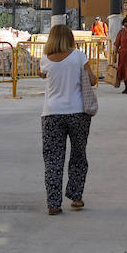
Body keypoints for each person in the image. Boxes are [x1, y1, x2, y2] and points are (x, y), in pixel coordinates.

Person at [39, 24, 96, 215]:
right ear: (70, 38)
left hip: (51, 114)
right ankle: (76, 197)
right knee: (78, 155)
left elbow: (42, 74)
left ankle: (53, 203)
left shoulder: (45, 60)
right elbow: (93, 80)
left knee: (53, 159)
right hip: (78, 112)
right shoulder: (79, 57)